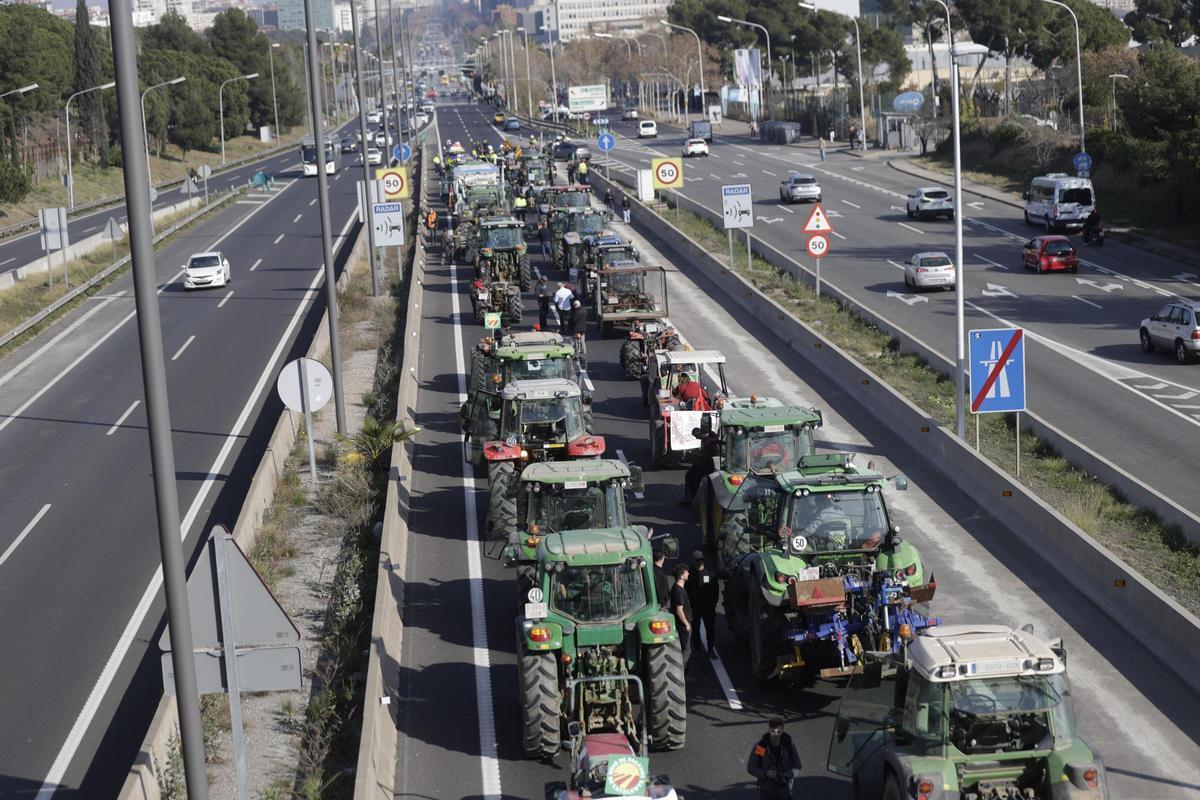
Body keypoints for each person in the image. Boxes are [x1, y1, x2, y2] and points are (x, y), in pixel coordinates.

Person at [746, 718, 801, 800]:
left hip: (785, 789)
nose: (775, 734)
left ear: (782, 731)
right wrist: (765, 773)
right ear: (769, 730)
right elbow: (751, 767)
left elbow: (797, 766)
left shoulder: (788, 745)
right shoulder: (761, 747)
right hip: (767, 791)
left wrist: (785, 775)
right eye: (773, 731)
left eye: (778, 732)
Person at [686, 551, 719, 657]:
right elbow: (686, 590)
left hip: (708, 607)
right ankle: (697, 649)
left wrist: (714, 603)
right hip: (695, 607)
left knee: (710, 628)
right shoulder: (690, 574)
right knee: (695, 628)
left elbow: (716, 589)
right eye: (696, 560)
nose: (699, 562)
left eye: (700, 559)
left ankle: (710, 649)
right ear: (693, 561)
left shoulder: (710, 573)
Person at [680, 425, 717, 506]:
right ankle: (687, 495)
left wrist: (695, 454)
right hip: (700, 463)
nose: (696, 438)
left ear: (701, 434)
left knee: (695, 479)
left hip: (707, 465)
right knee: (688, 475)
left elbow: (709, 457)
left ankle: (690, 498)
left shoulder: (711, 441)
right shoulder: (705, 439)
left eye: (697, 436)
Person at [670, 563, 693, 670]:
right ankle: (681, 673)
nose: (688, 573)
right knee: (686, 650)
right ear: (681, 576)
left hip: (683, 624)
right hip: (683, 626)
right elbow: (679, 610)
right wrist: (686, 624)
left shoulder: (677, 588)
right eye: (686, 572)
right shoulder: (678, 591)